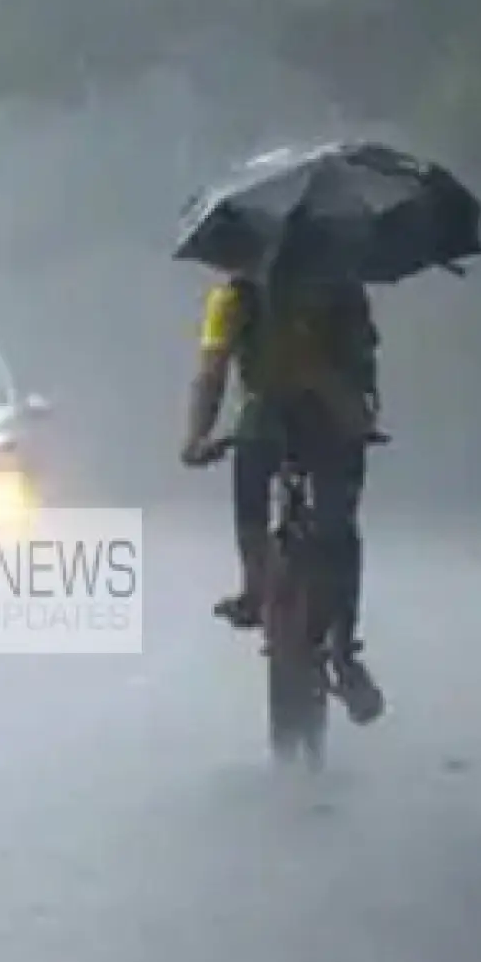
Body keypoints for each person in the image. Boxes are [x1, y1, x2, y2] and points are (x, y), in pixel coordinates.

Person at [179, 266, 382, 707]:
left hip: (269, 425)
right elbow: (365, 372)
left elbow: (211, 373)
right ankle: (345, 653)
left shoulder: (235, 296)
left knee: (253, 502)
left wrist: (197, 438)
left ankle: (255, 588)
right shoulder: (344, 289)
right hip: (331, 424)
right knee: (339, 526)